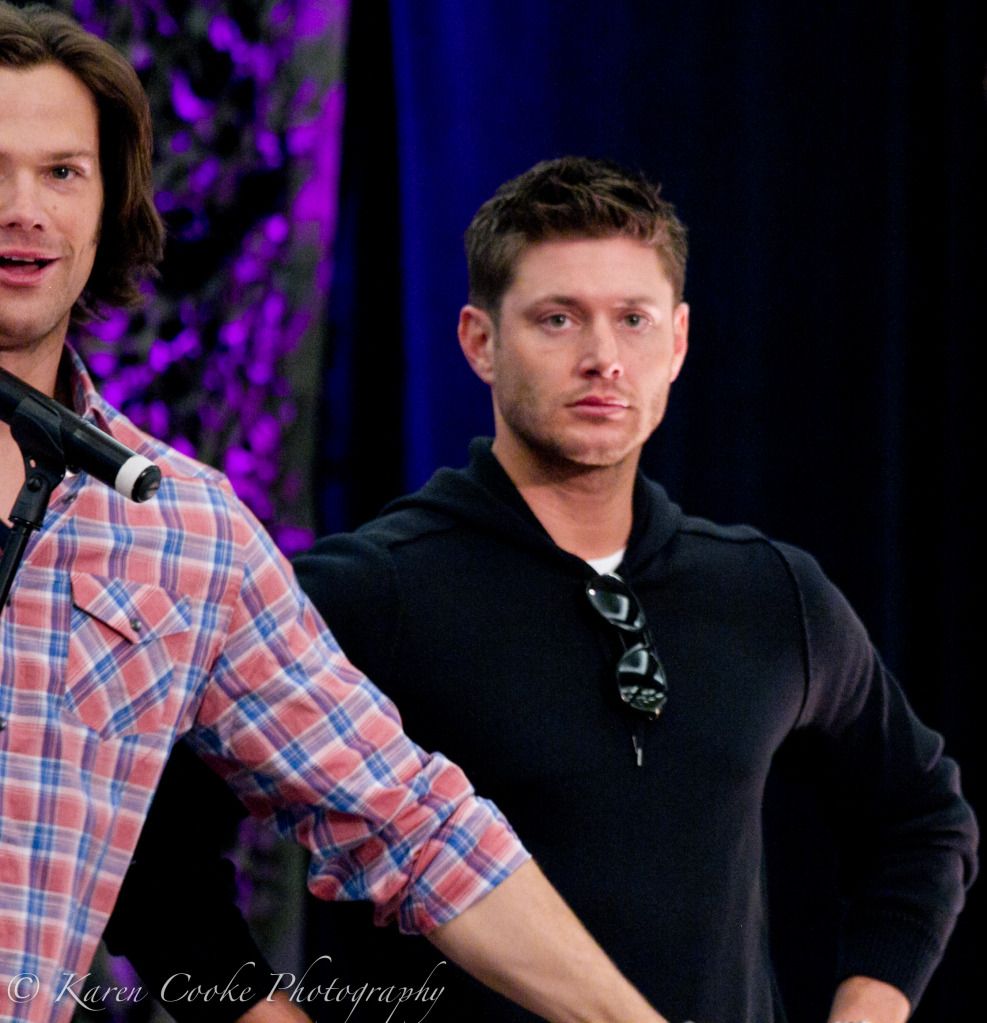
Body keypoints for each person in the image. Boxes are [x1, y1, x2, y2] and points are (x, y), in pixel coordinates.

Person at [107, 153, 979, 1023]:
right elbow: (145, 850)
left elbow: (922, 818)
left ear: (677, 342)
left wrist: (868, 1010)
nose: (603, 357)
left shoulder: (768, 592)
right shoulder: (369, 592)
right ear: (479, 341)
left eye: (633, 320)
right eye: (557, 319)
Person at [0, 7, 679, 1023]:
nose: (24, 210)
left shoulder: (178, 528)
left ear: (111, 206)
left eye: (63, 172)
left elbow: (410, 823)